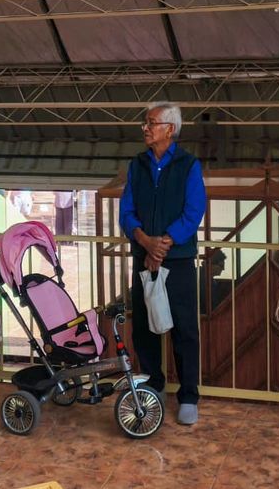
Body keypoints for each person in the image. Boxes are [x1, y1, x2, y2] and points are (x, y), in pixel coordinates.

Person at [119, 102, 207, 426]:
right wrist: (145, 242)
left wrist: (164, 242)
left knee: (184, 328)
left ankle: (188, 395)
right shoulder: (137, 164)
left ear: (170, 129)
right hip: (144, 255)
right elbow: (125, 211)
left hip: (178, 259)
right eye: (145, 122)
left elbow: (194, 210)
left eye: (151, 123)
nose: (145, 128)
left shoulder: (188, 164)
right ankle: (154, 383)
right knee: (144, 324)